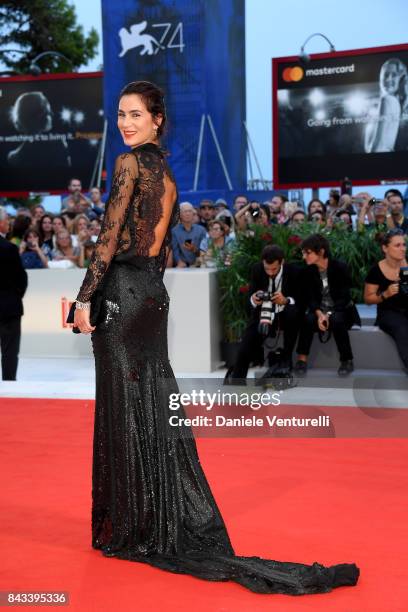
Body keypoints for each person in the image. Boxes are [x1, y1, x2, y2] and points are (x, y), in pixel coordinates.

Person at [72, 80, 359, 594]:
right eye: (120, 114)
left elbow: (110, 236)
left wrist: (83, 297)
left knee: (123, 404)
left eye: (135, 114)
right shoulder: (169, 177)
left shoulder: (129, 164)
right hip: (152, 298)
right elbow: (157, 252)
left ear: (158, 118)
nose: (125, 123)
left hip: (122, 293)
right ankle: (149, 517)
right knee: (151, 402)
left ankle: (133, 524)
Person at [227, 245, 302, 382]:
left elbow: (301, 300)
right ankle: (237, 380)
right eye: (267, 268)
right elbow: (250, 299)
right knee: (248, 338)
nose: (270, 273)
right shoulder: (257, 269)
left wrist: (285, 300)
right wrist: (254, 299)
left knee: (292, 313)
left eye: (274, 269)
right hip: (263, 314)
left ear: (282, 262)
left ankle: (286, 360)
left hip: (285, 315)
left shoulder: (294, 271)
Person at [295, 234, 360, 377]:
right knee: (307, 320)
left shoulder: (340, 267)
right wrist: (319, 314)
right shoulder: (307, 271)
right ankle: (301, 360)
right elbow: (310, 299)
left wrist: (328, 315)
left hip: (341, 310)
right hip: (319, 311)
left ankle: (347, 360)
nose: (304, 257)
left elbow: (344, 298)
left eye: (308, 252)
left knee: (337, 319)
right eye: (303, 253)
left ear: (321, 251)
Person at [364, 229, 408, 373]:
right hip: (388, 312)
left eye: (404, 244)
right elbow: (368, 299)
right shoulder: (376, 270)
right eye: (397, 245)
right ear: (385, 248)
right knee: (403, 329)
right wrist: (385, 294)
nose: (402, 249)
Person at [0, 207, 28, 380]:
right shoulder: (8, 248)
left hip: (8, 304)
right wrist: (15, 295)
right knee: (9, 350)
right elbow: (20, 278)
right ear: (1, 223)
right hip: (8, 306)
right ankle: (9, 385)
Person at [171, 202, 206, 267]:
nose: (188, 213)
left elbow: (204, 250)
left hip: (199, 265)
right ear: (180, 214)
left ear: (193, 213)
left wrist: (194, 249)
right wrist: (179, 262)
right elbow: (175, 250)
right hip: (181, 266)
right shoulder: (174, 231)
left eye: (190, 211)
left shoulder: (201, 230)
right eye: (185, 211)